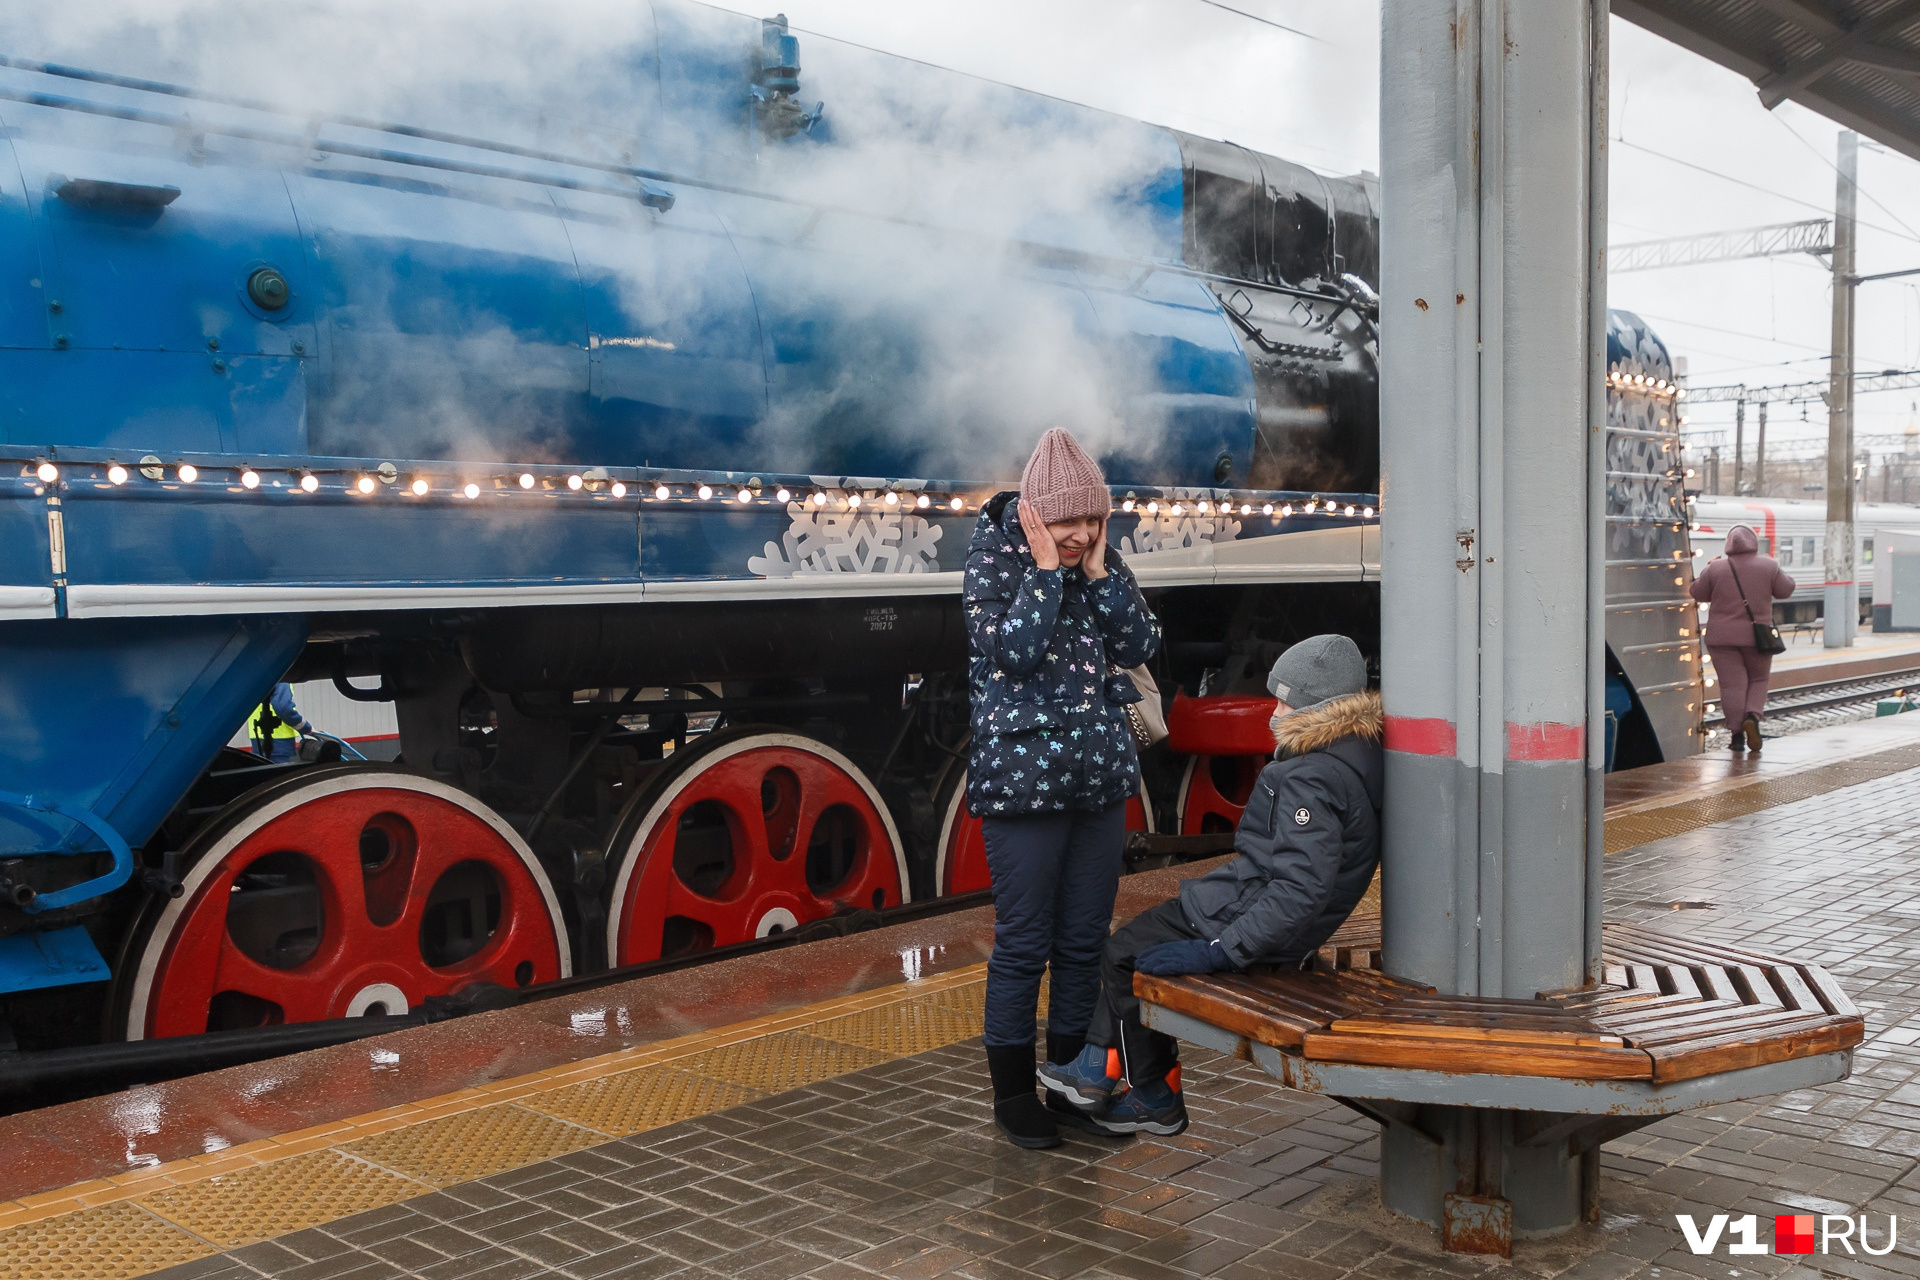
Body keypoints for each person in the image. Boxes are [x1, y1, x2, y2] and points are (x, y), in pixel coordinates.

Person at [1040, 634, 1382, 1136]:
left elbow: (1299, 890)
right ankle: (1099, 1069)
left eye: (1287, 699)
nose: (1276, 708)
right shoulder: (1349, 754)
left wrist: (1222, 950)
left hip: (1242, 917)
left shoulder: (1313, 776)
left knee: (1122, 956)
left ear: (1320, 707)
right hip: (1246, 903)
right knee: (1129, 949)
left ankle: (1153, 1093)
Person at [964, 427, 1161, 1150]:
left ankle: (1071, 1081)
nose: (1080, 535)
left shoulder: (1102, 566)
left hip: (1101, 779)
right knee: (1024, 943)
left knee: (1083, 943)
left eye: (1091, 520)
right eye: (1067, 521)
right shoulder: (992, 561)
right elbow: (1014, 654)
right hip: (1022, 785)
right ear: (1036, 517)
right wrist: (1048, 571)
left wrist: (1102, 576)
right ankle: (1014, 1094)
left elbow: (1140, 644)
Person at [1689, 523, 1795, 754]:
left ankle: (1737, 736)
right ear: (1753, 544)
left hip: (1721, 639)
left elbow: (1697, 593)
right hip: (1758, 638)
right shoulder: (1768, 565)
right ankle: (1752, 717)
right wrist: (1775, 571)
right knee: (1758, 680)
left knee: (1731, 686)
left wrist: (1708, 569)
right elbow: (1786, 590)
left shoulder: (1716, 568)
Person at [249, 682, 314, 763]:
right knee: (282, 774)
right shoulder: (281, 678)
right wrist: (304, 727)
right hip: (280, 742)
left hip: (257, 739)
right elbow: (283, 708)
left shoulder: (257, 679)